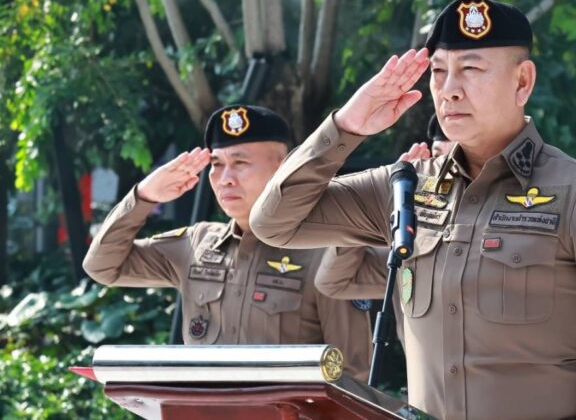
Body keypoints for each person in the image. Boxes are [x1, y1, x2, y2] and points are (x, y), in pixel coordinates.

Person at [250, 0, 576, 420]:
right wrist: (346, 126)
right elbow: (274, 223)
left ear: (522, 82)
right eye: (439, 72)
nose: (449, 90)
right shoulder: (405, 188)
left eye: (471, 70)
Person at [83, 105, 375, 381]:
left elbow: (351, 375)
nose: (225, 179)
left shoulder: (329, 251)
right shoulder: (196, 245)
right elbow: (103, 267)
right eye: (216, 164)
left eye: (240, 163)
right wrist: (144, 196)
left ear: (283, 169)